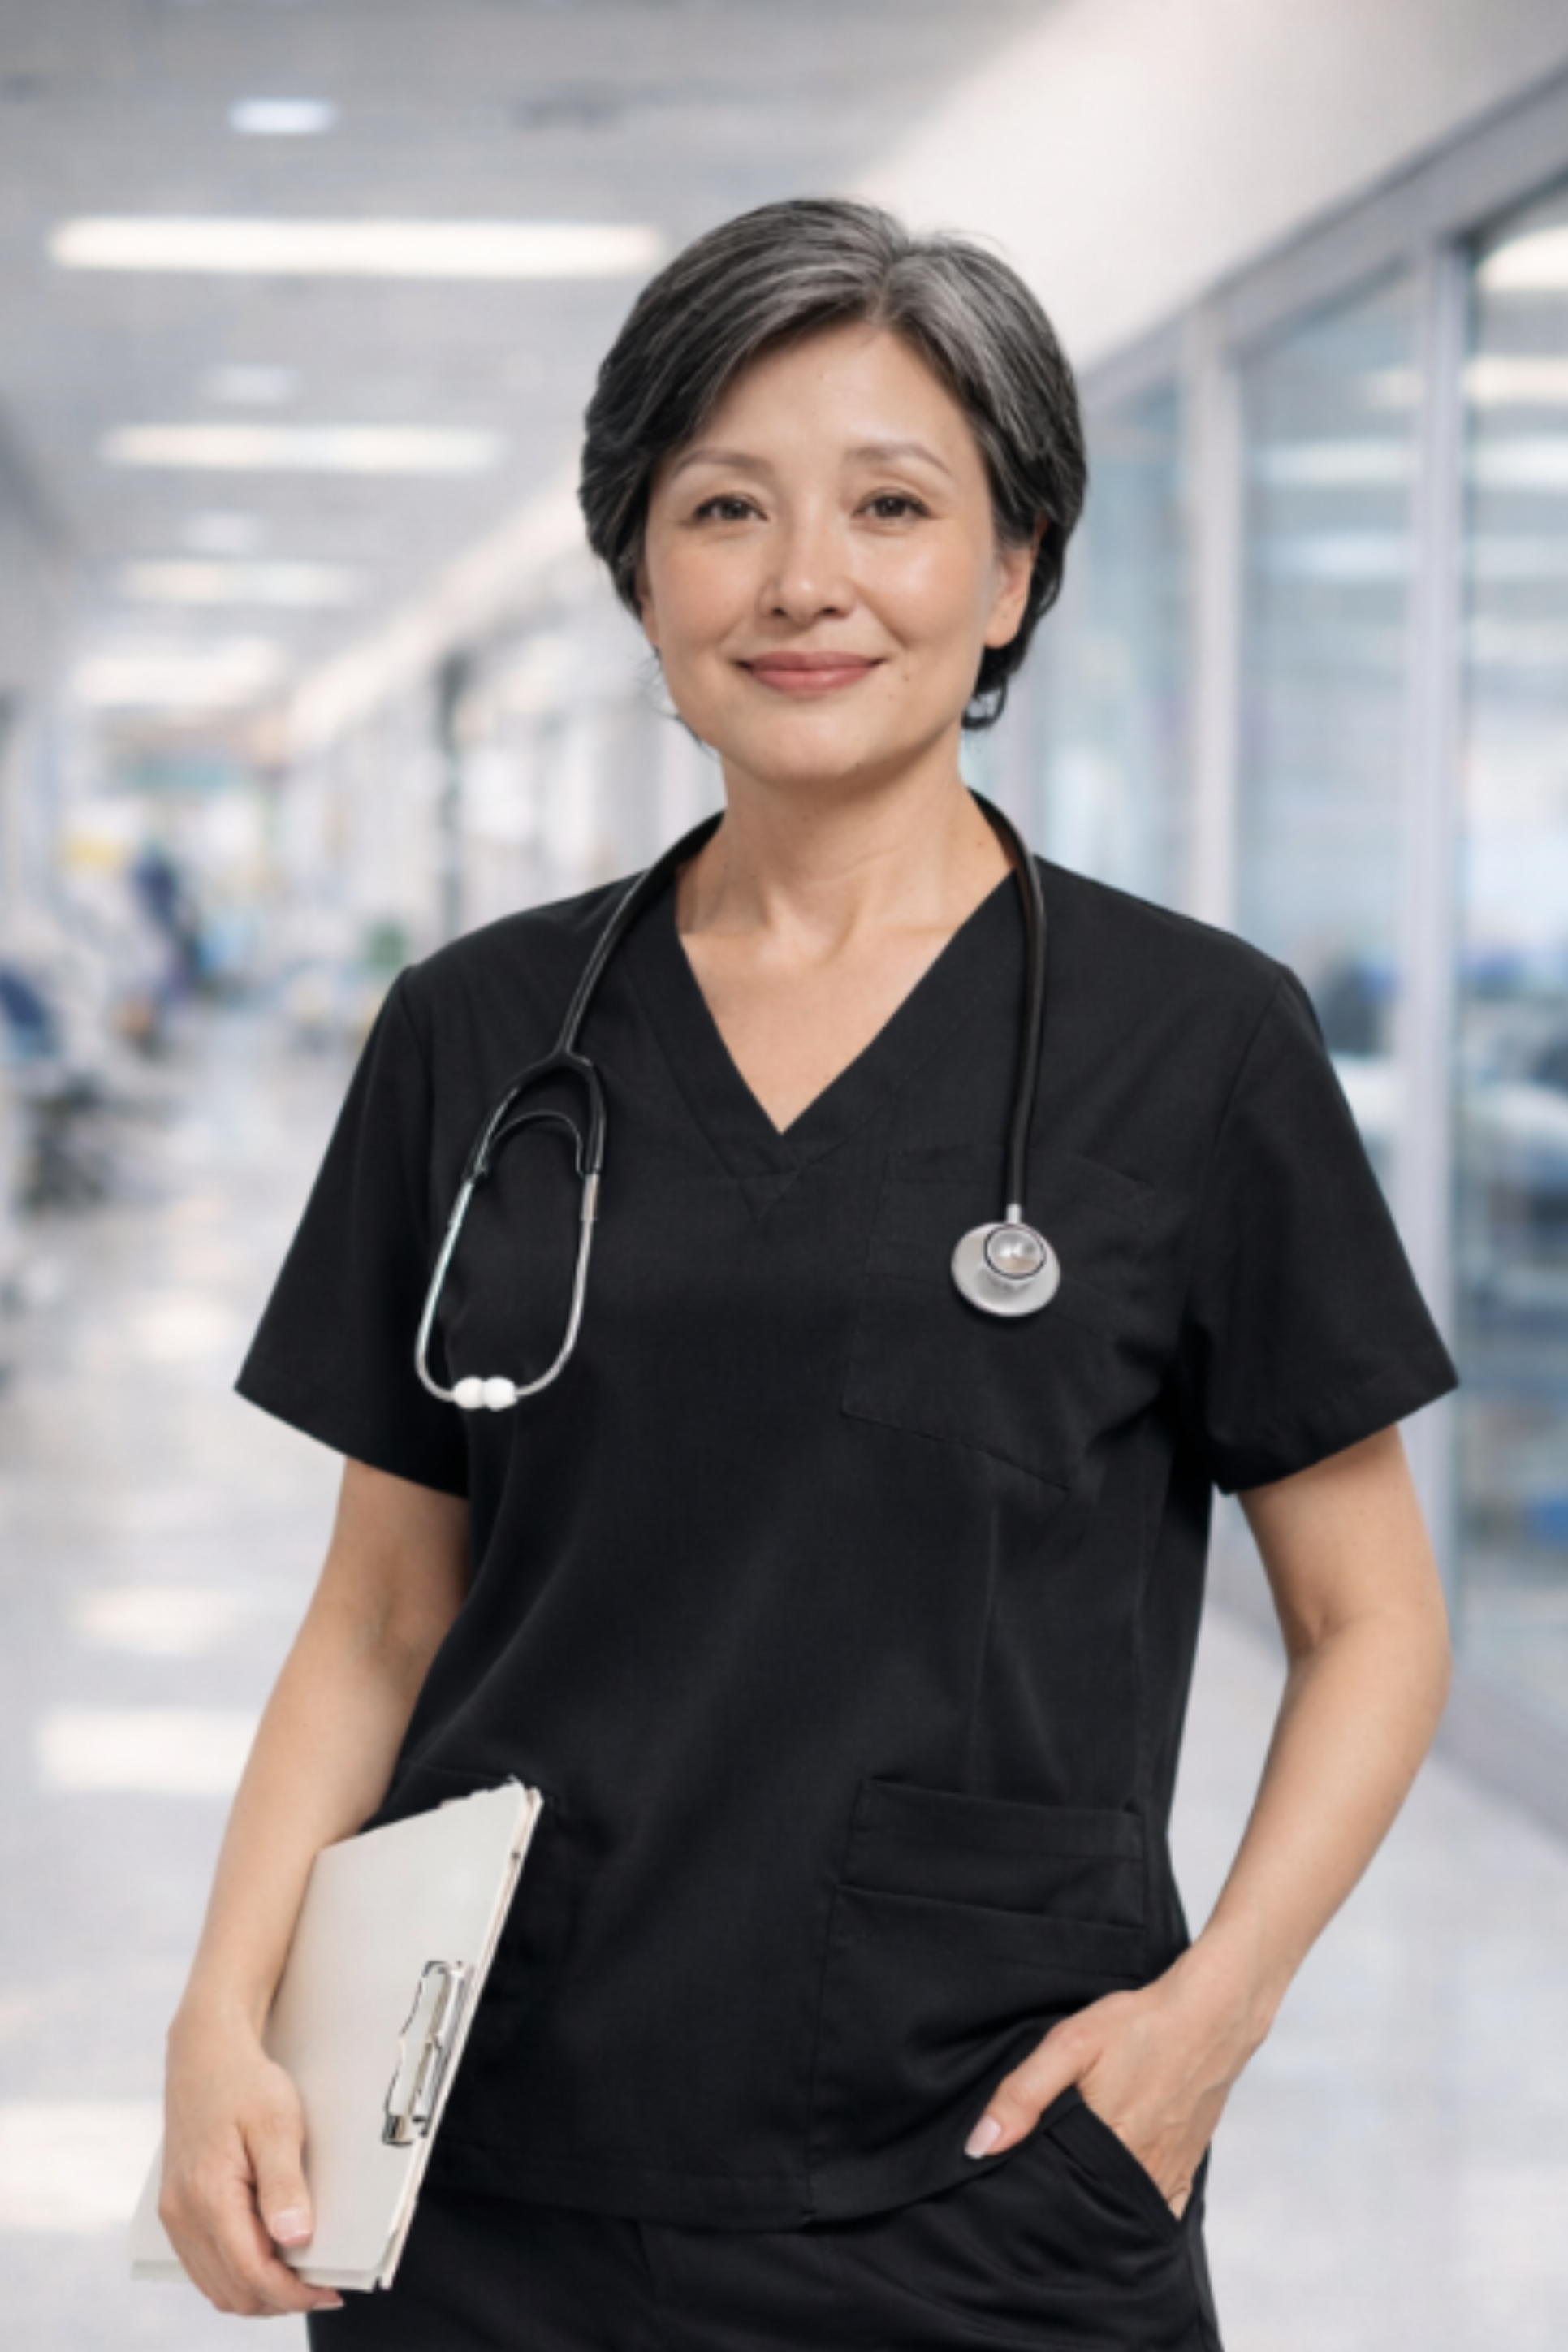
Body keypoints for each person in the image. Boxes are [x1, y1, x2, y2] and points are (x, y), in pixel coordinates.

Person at [158, 199, 1457, 2352]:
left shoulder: (1199, 1042)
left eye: (893, 505)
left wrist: (1206, 2025)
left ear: (1014, 569)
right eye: (725, 507)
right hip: (485, 2164)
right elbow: (381, 1612)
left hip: (991, 2174)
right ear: (639, 568)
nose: (804, 582)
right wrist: (223, 2014)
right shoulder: (481, 1036)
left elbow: (1373, 1616)